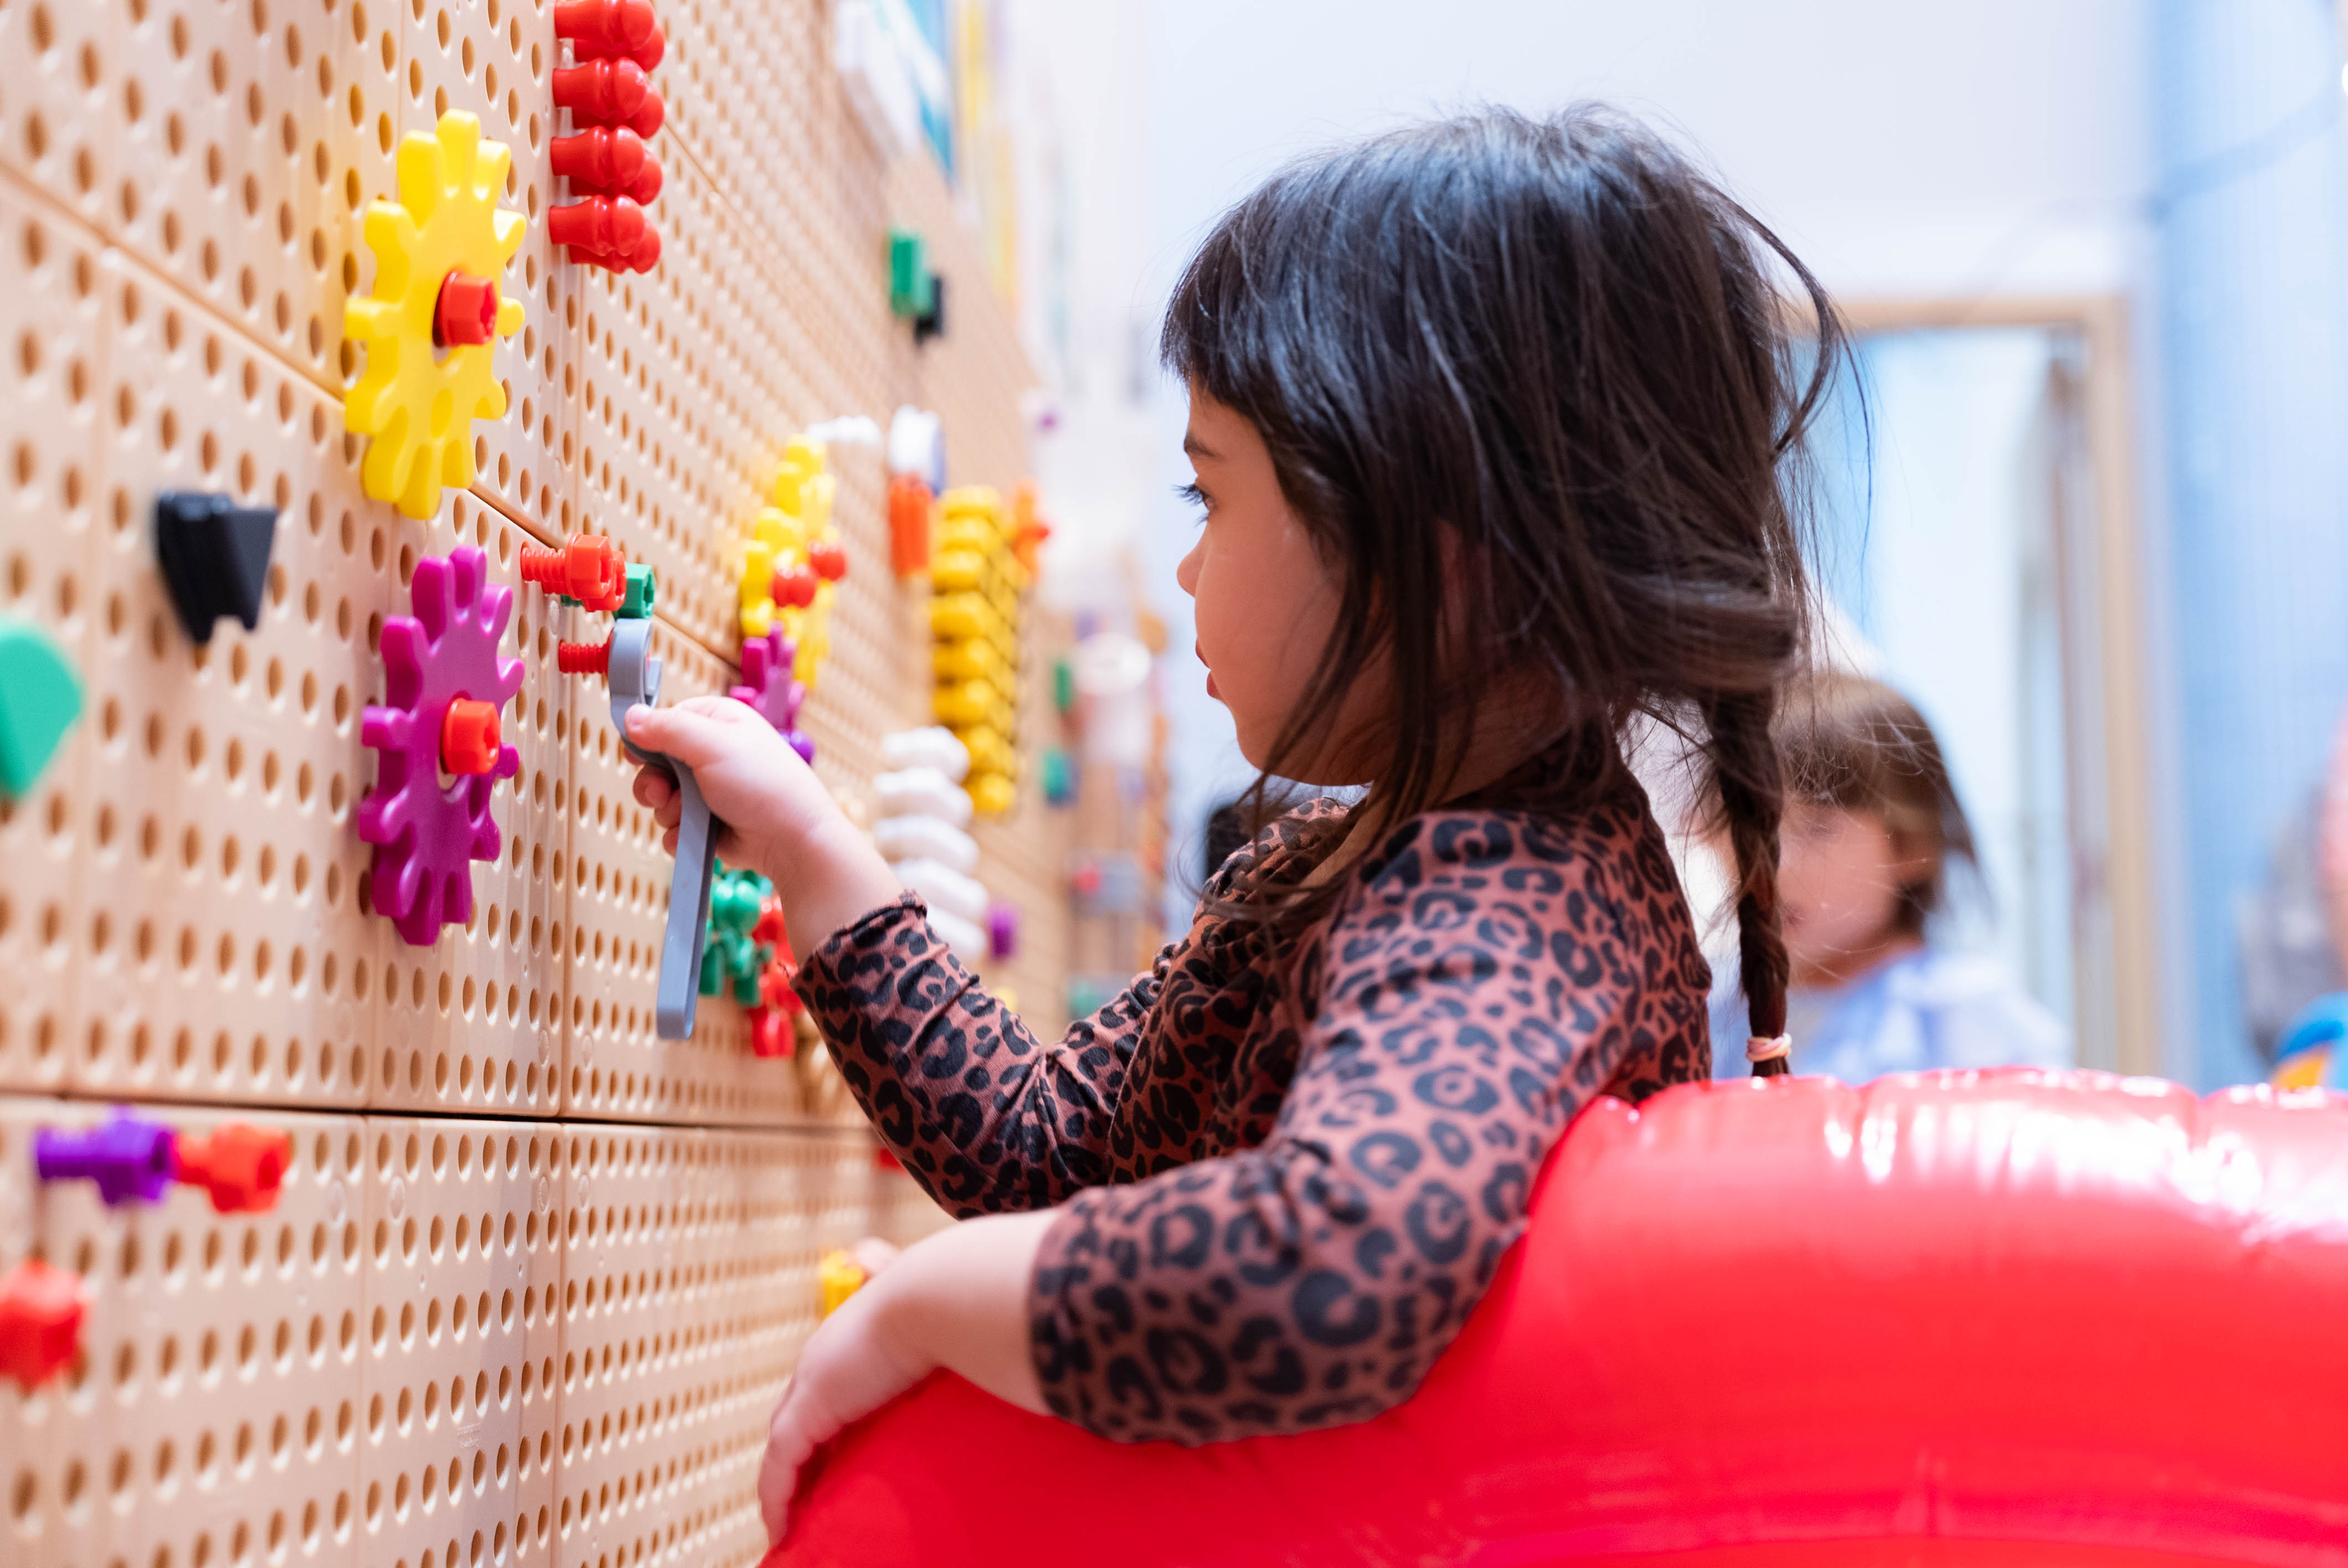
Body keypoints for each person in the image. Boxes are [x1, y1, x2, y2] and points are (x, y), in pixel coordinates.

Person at [624, 106, 1849, 1545]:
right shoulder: (1360, 865)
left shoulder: (1509, 907)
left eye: (1210, 494)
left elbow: (1333, 1262)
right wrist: (813, 852)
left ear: (1432, 548)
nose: (1187, 569)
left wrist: (928, 1306)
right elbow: (1046, 1153)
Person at [1708, 672, 2069, 1080]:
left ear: (1910, 846)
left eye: (1818, 828)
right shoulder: (1706, 1004)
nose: (1771, 864)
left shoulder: (1967, 1019)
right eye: (1749, 825)